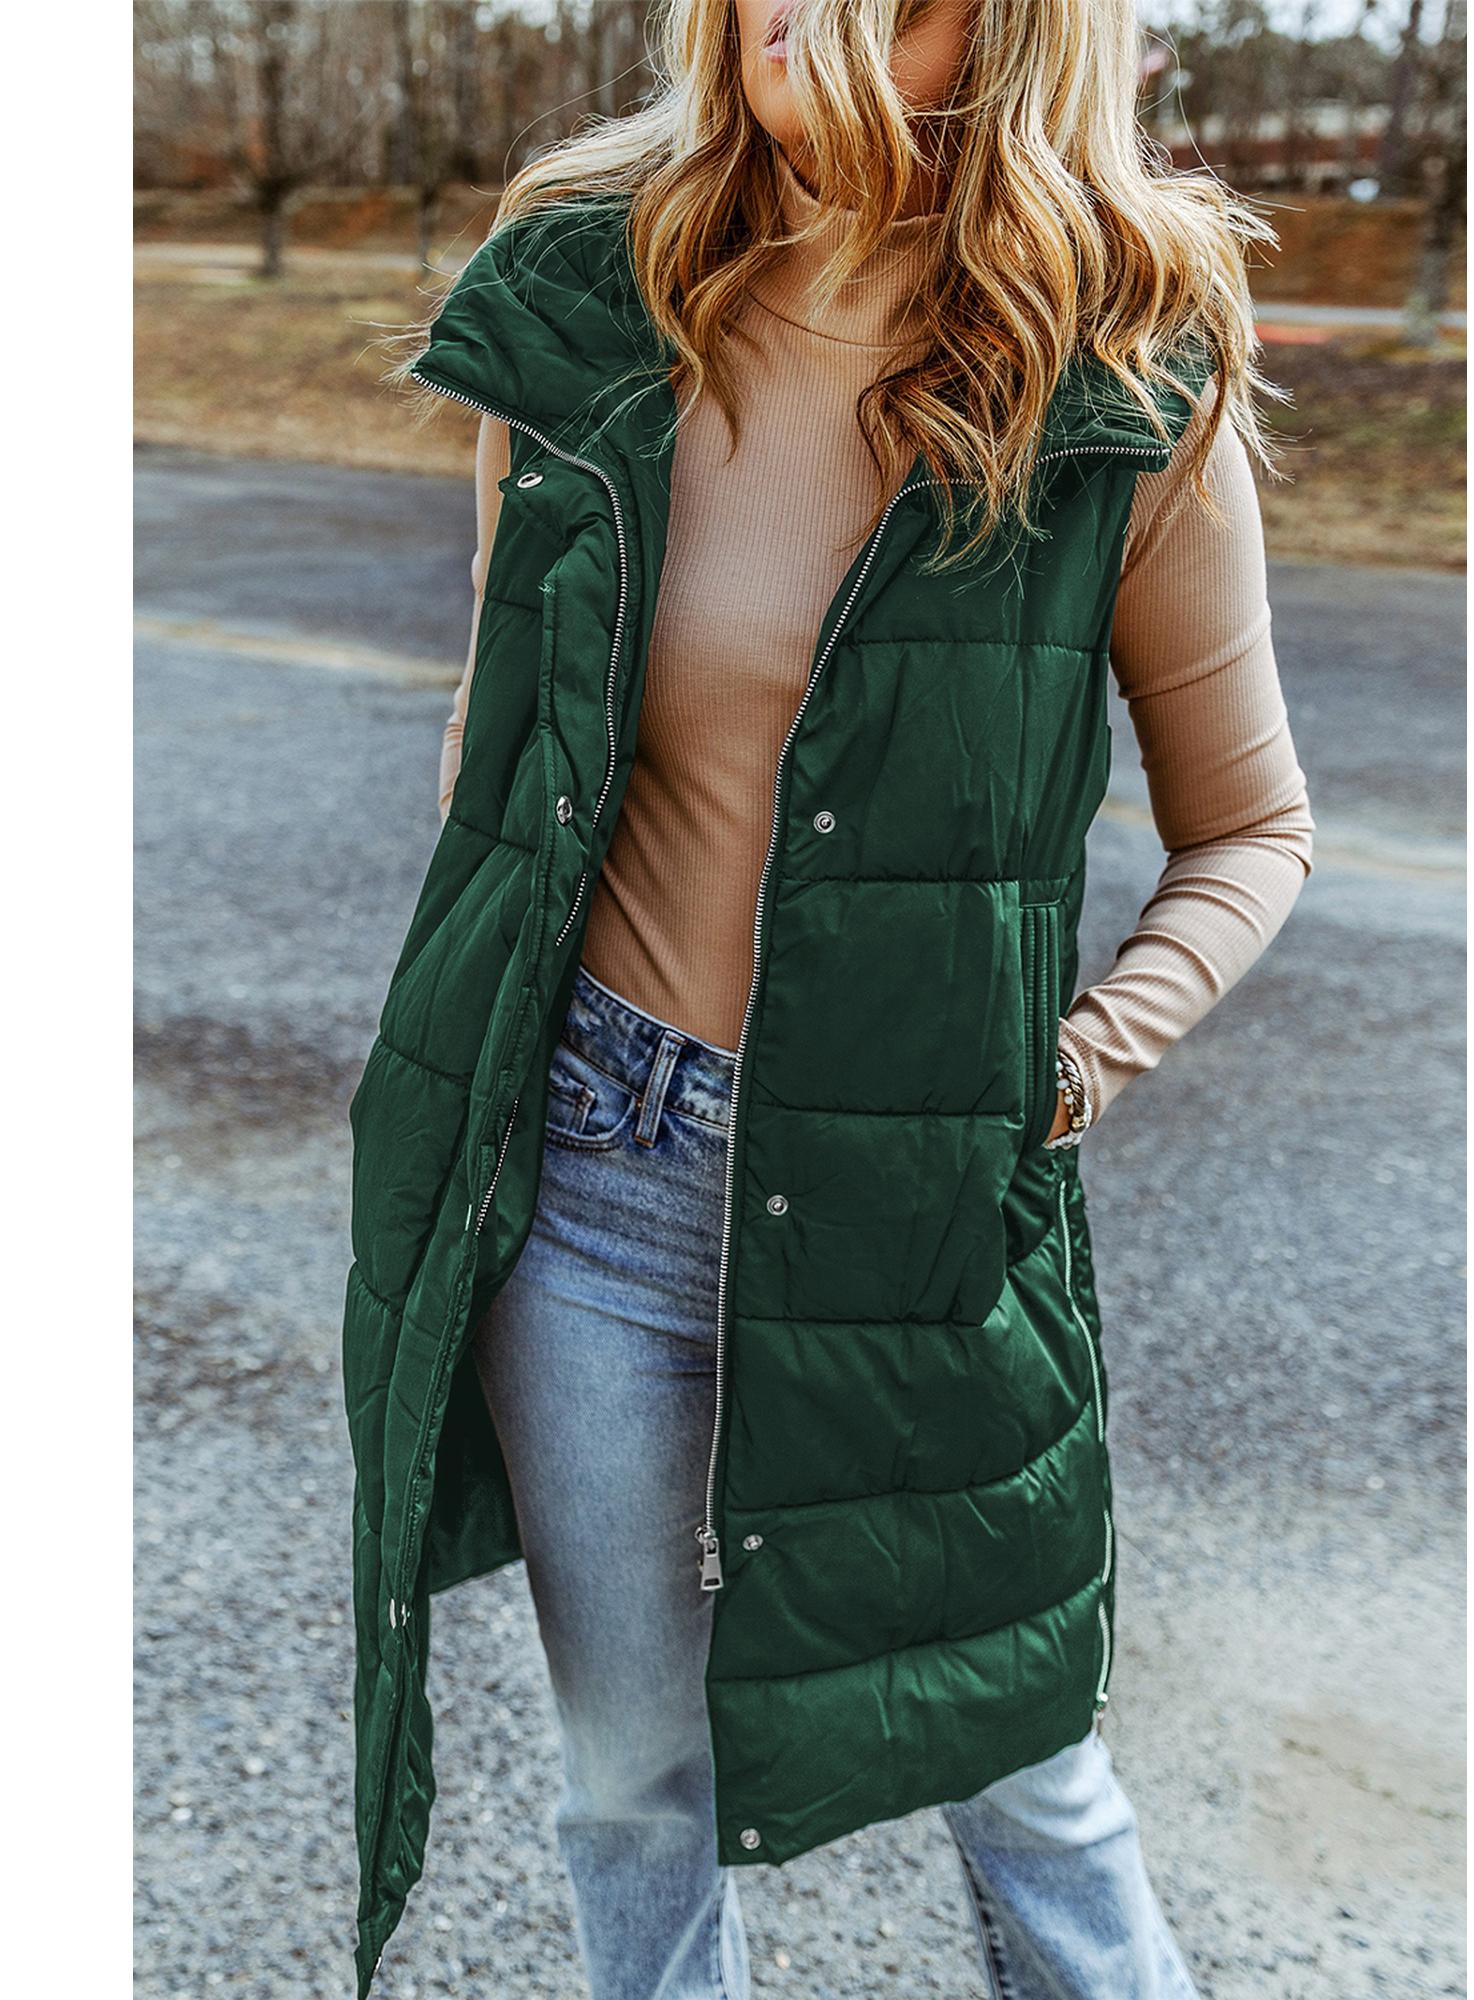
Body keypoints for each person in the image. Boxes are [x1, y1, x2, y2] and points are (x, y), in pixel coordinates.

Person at [341, 3, 1315, 1995]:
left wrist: (1067, 1068)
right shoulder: (584, 293)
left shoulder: (1120, 375)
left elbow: (1253, 831)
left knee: (1023, 1767)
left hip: (913, 1210)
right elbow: (501, 727)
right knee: (635, 1781)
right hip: (592, 1167)